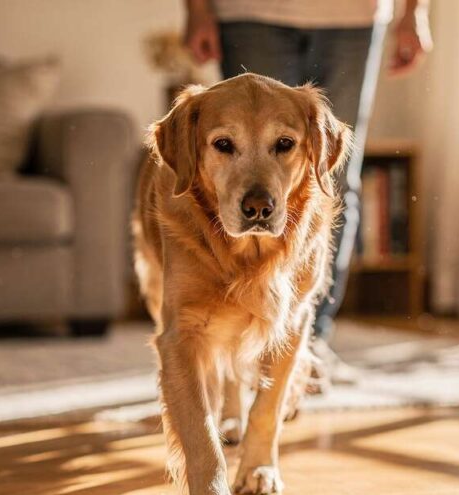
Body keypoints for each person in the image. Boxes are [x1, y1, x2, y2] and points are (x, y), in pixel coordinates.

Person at [183, 0, 432, 385]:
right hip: (250, 12)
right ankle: (249, 343)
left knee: (333, 181)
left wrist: (415, 11)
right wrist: (198, 9)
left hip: (355, 13)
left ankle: (307, 342)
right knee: (243, 173)